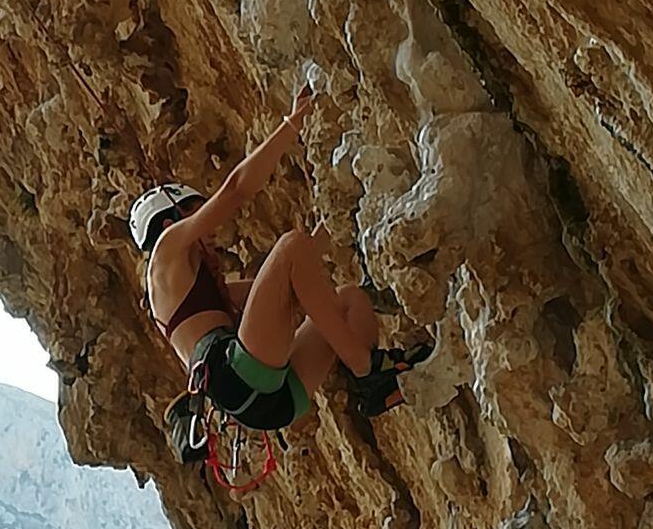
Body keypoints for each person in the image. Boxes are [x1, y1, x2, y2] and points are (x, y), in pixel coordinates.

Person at [129, 87, 431, 428]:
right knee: (290, 244)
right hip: (238, 376)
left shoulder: (192, 292)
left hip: (269, 403)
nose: (210, 231)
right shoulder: (166, 249)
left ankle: (376, 390)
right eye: (197, 214)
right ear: (170, 221)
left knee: (349, 301)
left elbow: (291, 283)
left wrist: (337, 216)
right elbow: (236, 190)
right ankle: (368, 372)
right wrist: (292, 124)